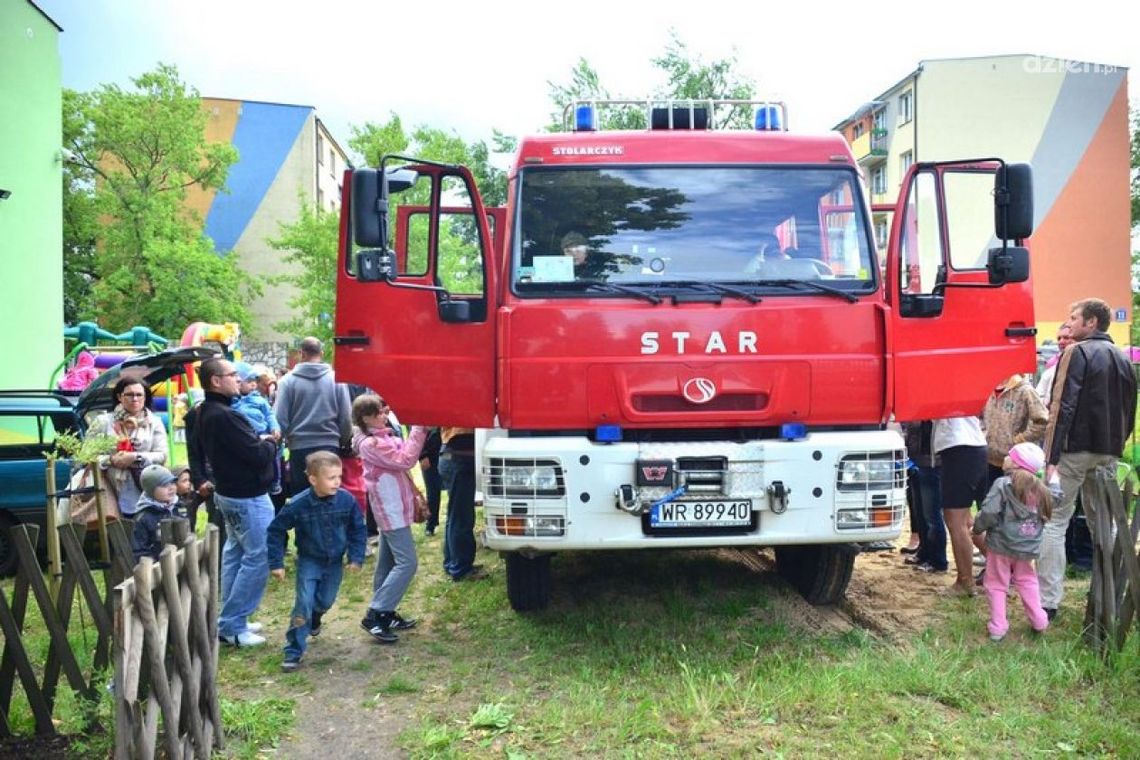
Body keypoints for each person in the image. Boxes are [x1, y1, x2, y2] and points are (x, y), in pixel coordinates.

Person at [1039, 298, 1137, 620]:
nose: (1071, 323)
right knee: (1103, 522)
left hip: (1075, 450)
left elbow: (1061, 405)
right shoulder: (1123, 359)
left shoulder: (1076, 352)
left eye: (1074, 317)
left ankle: (1048, 601)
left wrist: (1051, 456)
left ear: (1091, 322)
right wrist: (1116, 444)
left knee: (1054, 521)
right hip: (1107, 451)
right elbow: (1130, 409)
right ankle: (1108, 592)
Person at [188, 357, 279, 648]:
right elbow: (257, 454)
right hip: (246, 495)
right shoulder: (223, 416)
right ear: (216, 381)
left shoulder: (207, 411)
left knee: (236, 553)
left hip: (230, 493)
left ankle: (231, 619)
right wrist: (270, 440)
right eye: (231, 375)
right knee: (259, 555)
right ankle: (232, 624)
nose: (238, 380)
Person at [267, 451, 366, 671]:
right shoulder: (298, 504)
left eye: (339, 477)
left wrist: (356, 557)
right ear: (313, 480)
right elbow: (275, 530)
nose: (337, 482)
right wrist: (276, 563)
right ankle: (294, 650)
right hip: (309, 561)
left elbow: (358, 529)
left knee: (325, 601)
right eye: (331, 478)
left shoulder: (346, 500)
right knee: (303, 602)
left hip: (334, 562)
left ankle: (316, 616)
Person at [352, 394, 428, 643]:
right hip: (390, 509)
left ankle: (385, 611)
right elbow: (405, 459)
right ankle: (376, 613)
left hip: (393, 508)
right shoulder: (370, 444)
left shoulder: (380, 438)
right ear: (366, 418)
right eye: (378, 413)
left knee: (387, 562)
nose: (384, 416)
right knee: (408, 563)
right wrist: (419, 427)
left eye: (385, 411)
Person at [972, 442, 1052, 641]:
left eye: (1010, 455)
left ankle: (998, 627)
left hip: (1001, 545)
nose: (1005, 458)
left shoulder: (1003, 484)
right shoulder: (1041, 489)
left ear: (1016, 464)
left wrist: (978, 528)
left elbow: (989, 511)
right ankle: (1040, 621)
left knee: (996, 583)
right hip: (1027, 547)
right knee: (1027, 580)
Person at [274, 337, 352, 497]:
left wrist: (280, 441)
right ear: (321, 353)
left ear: (301, 353)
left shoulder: (287, 381)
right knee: (330, 495)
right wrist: (343, 440)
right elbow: (345, 417)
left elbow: (280, 418)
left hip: (300, 448)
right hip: (330, 446)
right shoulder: (336, 379)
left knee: (303, 499)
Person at [87, 377, 168, 518]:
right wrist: (110, 460)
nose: (135, 399)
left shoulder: (154, 422)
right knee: (113, 532)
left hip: (143, 486)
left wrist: (135, 457)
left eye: (139, 395)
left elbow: (162, 455)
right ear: (119, 397)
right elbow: (87, 455)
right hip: (108, 487)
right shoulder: (103, 422)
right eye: (129, 394)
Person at [932, 416, 989, 596]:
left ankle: (965, 581)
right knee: (967, 520)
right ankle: (1006, 566)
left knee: (956, 522)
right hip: (975, 446)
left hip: (958, 448)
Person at [982, 373, 1048, 488]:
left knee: (1011, 500)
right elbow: (980, 416)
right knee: (988, 499)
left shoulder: (1025, 391)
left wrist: (1020, 439)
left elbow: (1042, 421)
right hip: (988, 457)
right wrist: (983, 432)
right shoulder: (987, 387)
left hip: (1014, 463)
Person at [439, 426, 485, 582]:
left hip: (452, 459)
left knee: (454, 515)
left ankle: (451, 562)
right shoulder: (461, 423)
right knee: (462, 517)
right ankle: (461, 568)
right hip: (458, 461)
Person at [902, 421, 946, 574]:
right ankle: (924, 552)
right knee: (919, 512)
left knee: (931, 515)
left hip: (931, 462)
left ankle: (938, 560)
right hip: (915, 460)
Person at [131, 465, 186, 563]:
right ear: (151, 490)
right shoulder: (144, 517)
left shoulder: (179, 506)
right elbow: (140, 549)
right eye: (164, 485)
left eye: (172, 482)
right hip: (159, 566)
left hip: (183, 558)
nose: (171, 488)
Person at [1035, 324, 1074, 407]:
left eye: (1066, 338)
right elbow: (1039, 395)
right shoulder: (1051, 368)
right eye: (1059, 338)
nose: (1061, 341)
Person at [420, 427, 443, 536]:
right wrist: (422, 455)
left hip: (447, 450)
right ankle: (431, 524)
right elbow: (416, 433)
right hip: (430, 456)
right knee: (432, 492)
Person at [174, 465, 204, 533]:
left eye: (189, 480)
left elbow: (205, 495)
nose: (188, 483)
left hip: (190, 534)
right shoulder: (171, 501)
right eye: (184, 481)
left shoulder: (193, 497)